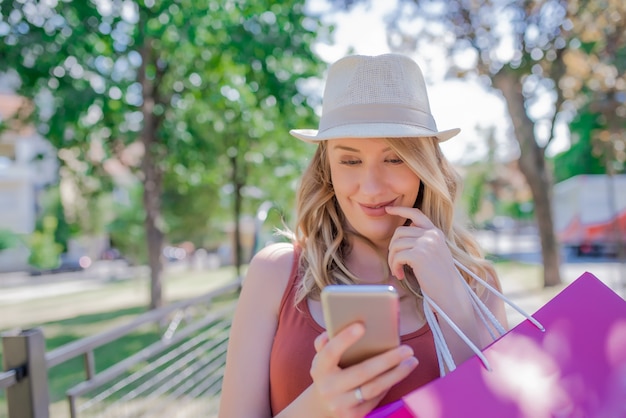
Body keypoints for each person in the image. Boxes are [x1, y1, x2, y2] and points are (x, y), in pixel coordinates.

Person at [218, 53, 508, 418]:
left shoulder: (477, 282)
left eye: (395, 158)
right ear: (327, 170)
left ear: (425, 167)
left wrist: (452, 297)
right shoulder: (276, 272)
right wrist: (320, 406)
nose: (371, 188)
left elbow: (492, 410)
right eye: (350, 160)